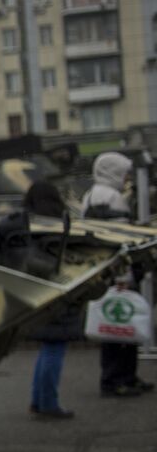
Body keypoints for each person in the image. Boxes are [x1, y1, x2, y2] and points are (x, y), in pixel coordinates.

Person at [80, 152, 150, 397]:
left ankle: (125, 377)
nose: (128, 177)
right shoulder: (110, 196)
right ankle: (115, 380)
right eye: (125, 172)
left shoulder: (91, 195)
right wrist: (124, 277)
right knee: (118, 329)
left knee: (118, 328)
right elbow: (117, 240)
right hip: (118, 273)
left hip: (104, 271)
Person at [24, 181, 78, 419]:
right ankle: (48, 403)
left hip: (36, 291)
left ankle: (39, 399)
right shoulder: (59, 220)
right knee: (54, 349)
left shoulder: (25, 220)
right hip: (58, 291)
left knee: (47, 348)